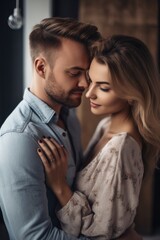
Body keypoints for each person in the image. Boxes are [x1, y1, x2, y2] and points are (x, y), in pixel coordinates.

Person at [37, 35, 160, 239]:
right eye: (91, 81)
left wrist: (60, 186)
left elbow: (101, 233)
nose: (89, 94)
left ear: (132, 93)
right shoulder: (105, 125)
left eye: (103, 87)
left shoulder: (122, 148)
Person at [0, 17, 102, 240]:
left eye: (86, 73)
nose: (85, 84)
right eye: (74, 73)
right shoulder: (20, 138)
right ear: (41, 67)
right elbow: (33, 237)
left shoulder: (70, 118)